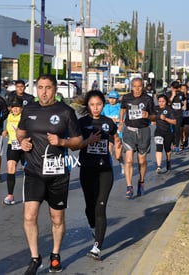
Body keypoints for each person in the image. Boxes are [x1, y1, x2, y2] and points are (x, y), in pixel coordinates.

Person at [16, 74, 83, 274]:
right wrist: (23, 143)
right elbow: (20, 132)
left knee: (57, 219)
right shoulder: (29, 110)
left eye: (48, 88)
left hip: (58, 174)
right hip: (34, 171)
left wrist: (62, 142)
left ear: (55, 90)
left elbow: (78, 141)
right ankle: (35, 258)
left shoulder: (66, 112)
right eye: (40, 88)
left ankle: (55, 254)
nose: (44, 92)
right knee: (29, 216)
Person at [76, 90, 120, 260]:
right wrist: (88, 142)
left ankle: (97, 247)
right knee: (90, 208)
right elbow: (75, 143)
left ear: (104, 105)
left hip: (105, 171)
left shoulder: (108, 122)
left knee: (100, 207)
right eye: (92, 105)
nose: (96, 108)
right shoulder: (81, 123)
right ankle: (94, 226)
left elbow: (115, 136)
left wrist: (118, 146)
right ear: (88, 105)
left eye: (99, 105)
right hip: (87, 169)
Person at [119, 77, 154, 198]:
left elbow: (154, 116)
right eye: (135, 86)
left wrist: (148, 115)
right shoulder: (126, 97)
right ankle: (129, 186)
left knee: (142, 161)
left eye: (139, 86)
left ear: (142, 87)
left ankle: (141, 181)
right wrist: (121, 121)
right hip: (129, 131)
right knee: (128, 160)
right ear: (131, 87)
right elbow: (123, 108)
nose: (137, 89)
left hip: (143, 131)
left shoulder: (148, 99)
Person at [1, 97, 24, 205]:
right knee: (10, 167)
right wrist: (5, 131)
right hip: (12, 145)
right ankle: (10, 195)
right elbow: (10, 129)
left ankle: (33, 192)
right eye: (13, 107)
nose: (15, 109)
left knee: (27, 170)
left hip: (24, 146)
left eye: (17, 107)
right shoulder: (9, 116)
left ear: (21, 108)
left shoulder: (24, 117)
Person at [153, 94, 177, 173]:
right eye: (159, 101)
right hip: (158, 132)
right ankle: (159, 166)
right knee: (159, 148)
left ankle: (168, 161)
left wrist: (165, 118)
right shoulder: (155, 109)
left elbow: (174, 122)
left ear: (166, 102)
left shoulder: (169, 109)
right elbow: (151, 117)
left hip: (168, 132)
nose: (161, 103)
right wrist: (152, 120)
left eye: (163, 101)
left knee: (167, 150)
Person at [168, 81, 185, 152]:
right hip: (171, 114)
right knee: (172, 130)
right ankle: (173, 143)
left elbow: (184, 100)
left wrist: (185, 106)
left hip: (179, 114)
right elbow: (168, 103)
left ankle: (176, 145)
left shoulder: (181, 94)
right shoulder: (169, 93)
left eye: (176, 88)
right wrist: (172, 96)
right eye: (173, 88)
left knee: (177, 130)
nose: (174, 89)